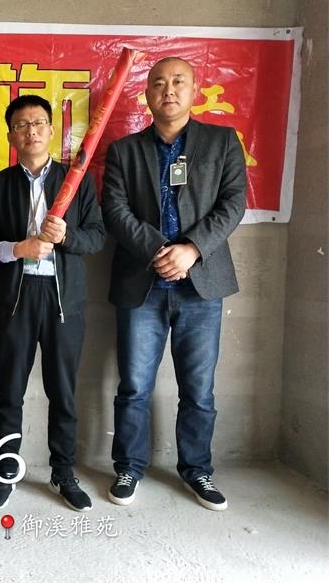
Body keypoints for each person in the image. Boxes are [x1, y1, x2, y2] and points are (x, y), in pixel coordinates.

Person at [101, 57, 247, 511]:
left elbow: (233, 203)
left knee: (199, 389)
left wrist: (191, 249)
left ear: (194, 89)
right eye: (159, 83)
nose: (168, 90)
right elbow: (115, 210)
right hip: (141, 285)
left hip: (201, 285)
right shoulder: (124, 150)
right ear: (146, 94)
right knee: (134, 386)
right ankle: (129, 466)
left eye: (178, 81)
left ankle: (197, 469)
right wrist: (160, 251)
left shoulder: (222, 142)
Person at [0, 94, 105, 511]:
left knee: (63, 393)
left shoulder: (77, 180)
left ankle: (62, 472)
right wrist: (19, 248)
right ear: (10, 135)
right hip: (15, 299)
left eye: (38, 124)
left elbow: (97, 237)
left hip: (63, 300)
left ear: (52, 131)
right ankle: (6, 471)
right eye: (21, 125)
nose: (30, 131)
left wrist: (66, 236)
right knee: (9, 391)